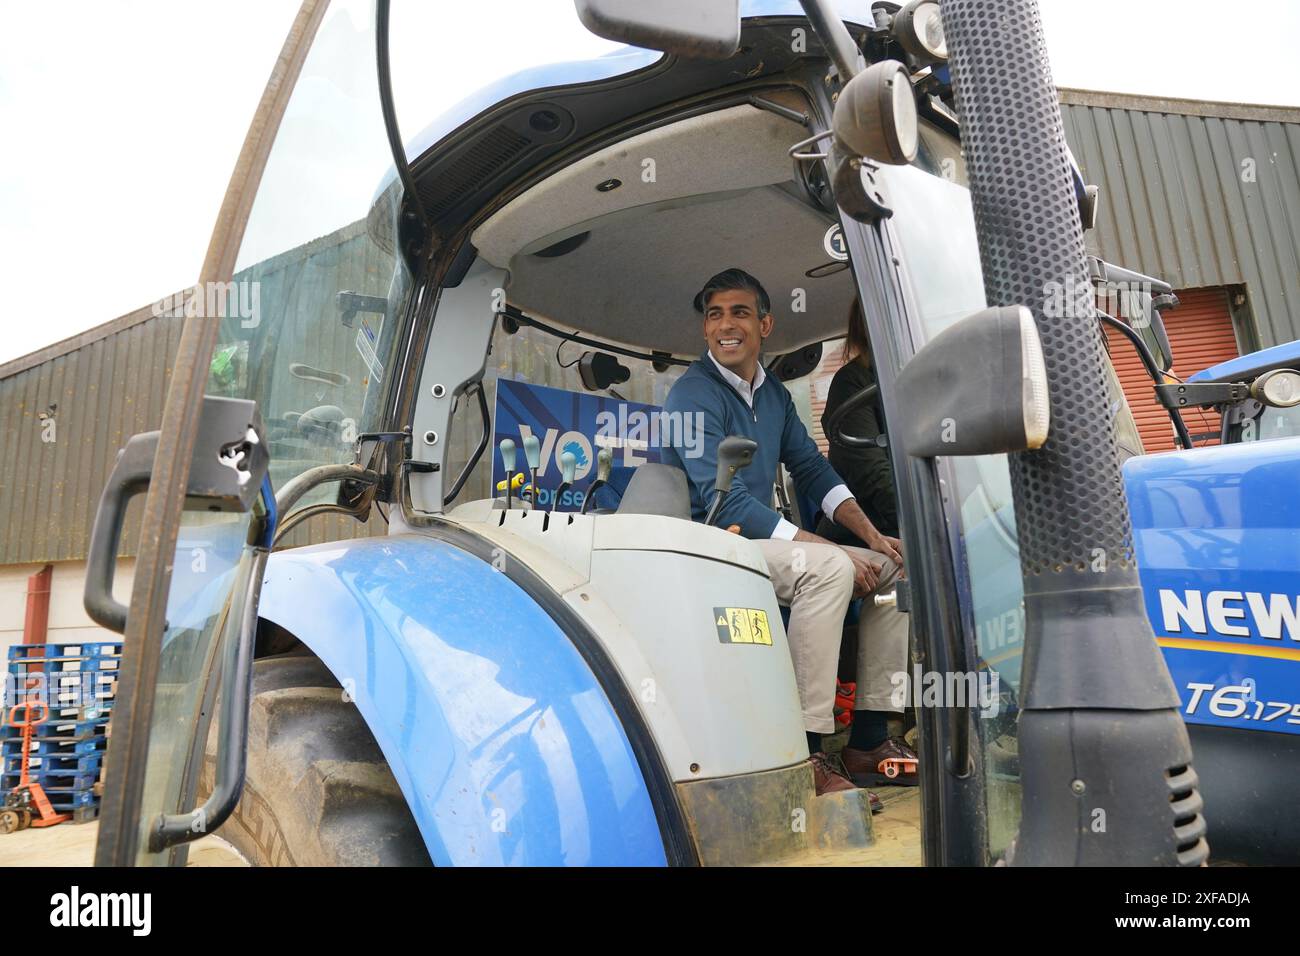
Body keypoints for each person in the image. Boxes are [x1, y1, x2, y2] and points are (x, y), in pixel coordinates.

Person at [663, 268, 915, 798]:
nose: (725, 325)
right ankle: (803, 755)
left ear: (766, 324)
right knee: (825, 568)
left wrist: (871, 538)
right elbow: (723, 499)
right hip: (705, 544)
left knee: (897, 565)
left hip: (751, 545)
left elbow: (814, 470)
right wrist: (832, 551)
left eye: (739, 312)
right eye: (714, 315)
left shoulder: (773, 393)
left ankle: (869, 738)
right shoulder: (692, 394)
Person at [816, 300, 898, 543]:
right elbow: (874, 477)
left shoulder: (928, 378)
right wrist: (929, 529)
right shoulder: (852, 383)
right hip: (869, 533)